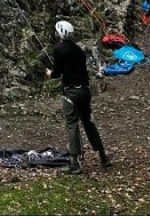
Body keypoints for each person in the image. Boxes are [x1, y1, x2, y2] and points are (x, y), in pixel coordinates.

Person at [46, 20, 110, 174]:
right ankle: (103, 156)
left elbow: (56, 73)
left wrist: (50, 74)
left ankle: (74, 163)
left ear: (60, 33)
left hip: (71, 93)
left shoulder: (59, 50)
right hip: (85, 92)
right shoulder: (79, 51)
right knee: (88, 123)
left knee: (72, 125)